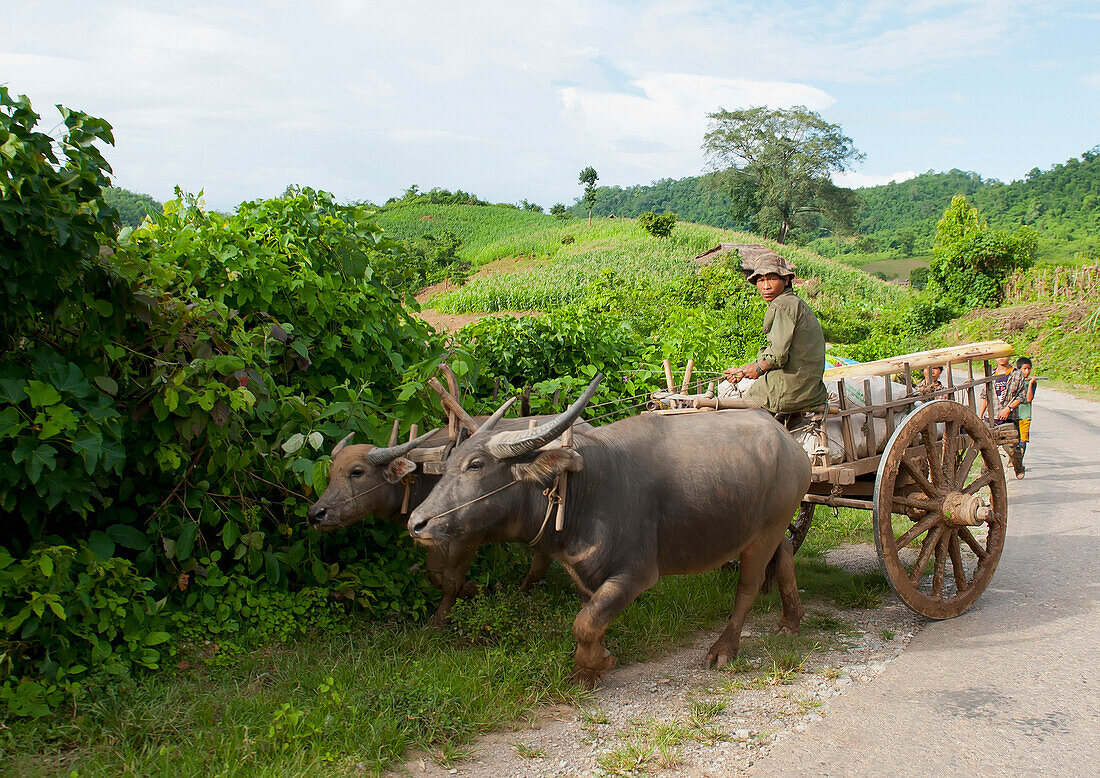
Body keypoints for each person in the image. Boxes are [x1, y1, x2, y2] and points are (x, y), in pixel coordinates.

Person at [722, 251, 828, 424]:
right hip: (809, 388)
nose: (766, 286)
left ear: (785, 280)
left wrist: (755, 369)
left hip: (791, 389)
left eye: (771, 279)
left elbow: (777, 357)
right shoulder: (795, 302)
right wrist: (746, 369)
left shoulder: (782, 305)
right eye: (761, 280)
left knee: (741, 408)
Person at [977, 355, 1028, 478]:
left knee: (1011, 449)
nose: (1001, 358)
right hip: (990, 417)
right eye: (998, 356)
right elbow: (984, 396)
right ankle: (986, 472)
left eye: (1004, 355)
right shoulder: (991, 374)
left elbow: (1021, 396)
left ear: (1009, 356)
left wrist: (1008, 409)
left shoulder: (1017, 374)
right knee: (986, 448)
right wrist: (980, 416)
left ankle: (1018, 467)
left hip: (1008, 418)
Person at [1015, 357, 1037, 462]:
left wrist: (1031, 384)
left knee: (1023, 440)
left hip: (1025, 415)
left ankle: (1019, 461)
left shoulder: (1031, 383)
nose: (1027, 371)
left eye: (1029, 369)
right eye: (1024, 369)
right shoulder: (1014, 381)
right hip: (1014, 414)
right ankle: (1013, 460)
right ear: (1018, 369)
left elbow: (1028, 399)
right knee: (1014, 439)